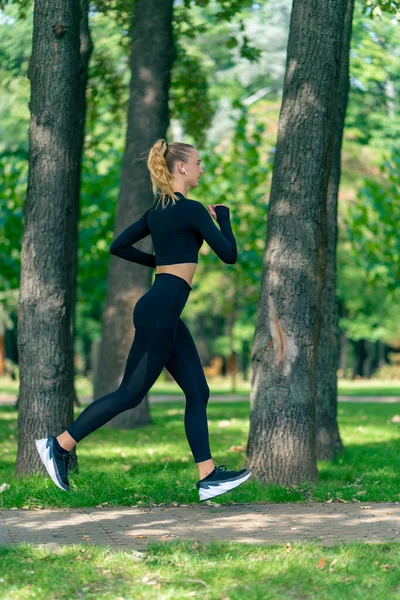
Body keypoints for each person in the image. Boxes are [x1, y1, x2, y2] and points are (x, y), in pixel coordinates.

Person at [35, 138, 252, 502]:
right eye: (198, 163)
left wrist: (161, 265)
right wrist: (225, 218)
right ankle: (58, 445)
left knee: (199, 391)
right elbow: (228, 254)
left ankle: (208, 476)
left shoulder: (157, 212)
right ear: (181, 168)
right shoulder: (194, 209)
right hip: (162, 307)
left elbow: (118, 245)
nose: (202, 169)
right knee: (129, 394)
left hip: (160, 305)